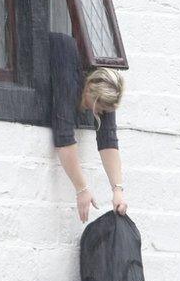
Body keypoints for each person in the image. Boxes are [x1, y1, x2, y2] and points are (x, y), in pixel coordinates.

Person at [50, 32, 126, 223]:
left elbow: (108, 139)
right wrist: (81, 189)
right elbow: (64, 137)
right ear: (89, 89)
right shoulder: (70, 80)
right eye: (99, 109)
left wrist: (117, 191)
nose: (99, 114)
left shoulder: (104, 86)